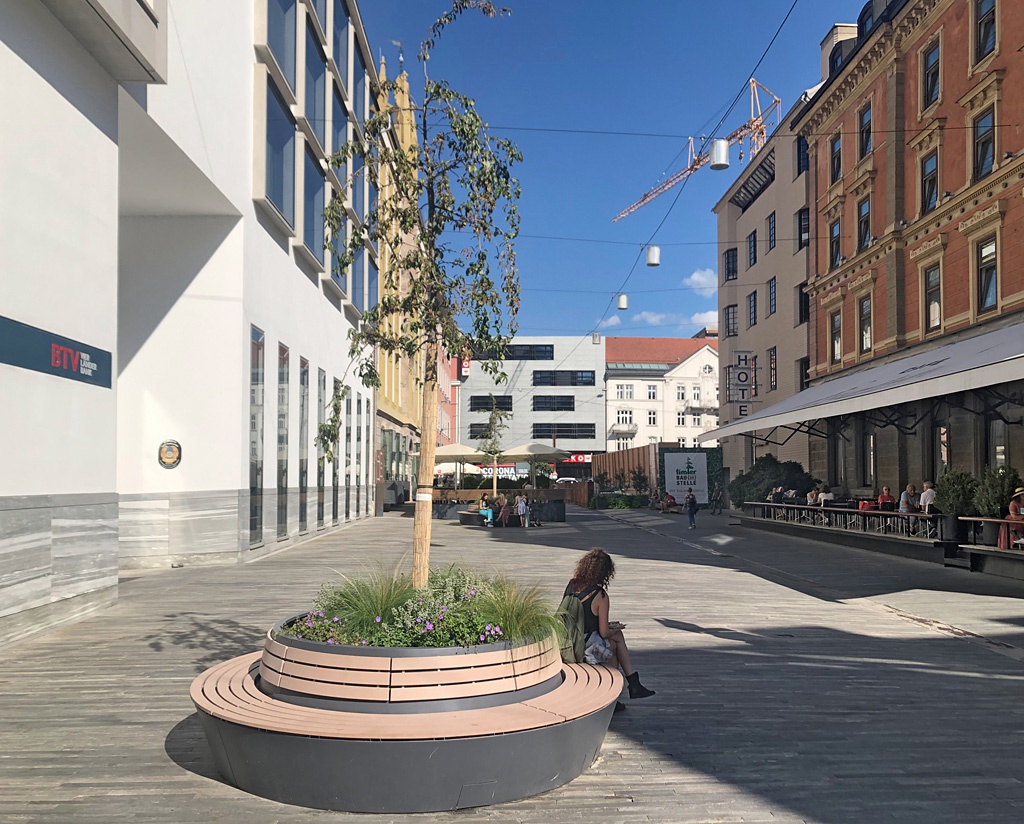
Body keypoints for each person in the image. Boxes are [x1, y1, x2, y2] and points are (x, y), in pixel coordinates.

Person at [564, 548, 655, 710]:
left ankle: (624, 689)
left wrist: (609, 627)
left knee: (615, 640)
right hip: (583, 648)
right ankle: (624, 689)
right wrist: (612, 629)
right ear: (605, 572)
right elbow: (604, 632)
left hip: (568, 641)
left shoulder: (572, 585)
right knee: (615, 644)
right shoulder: (600, 595)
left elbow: (580, 618)